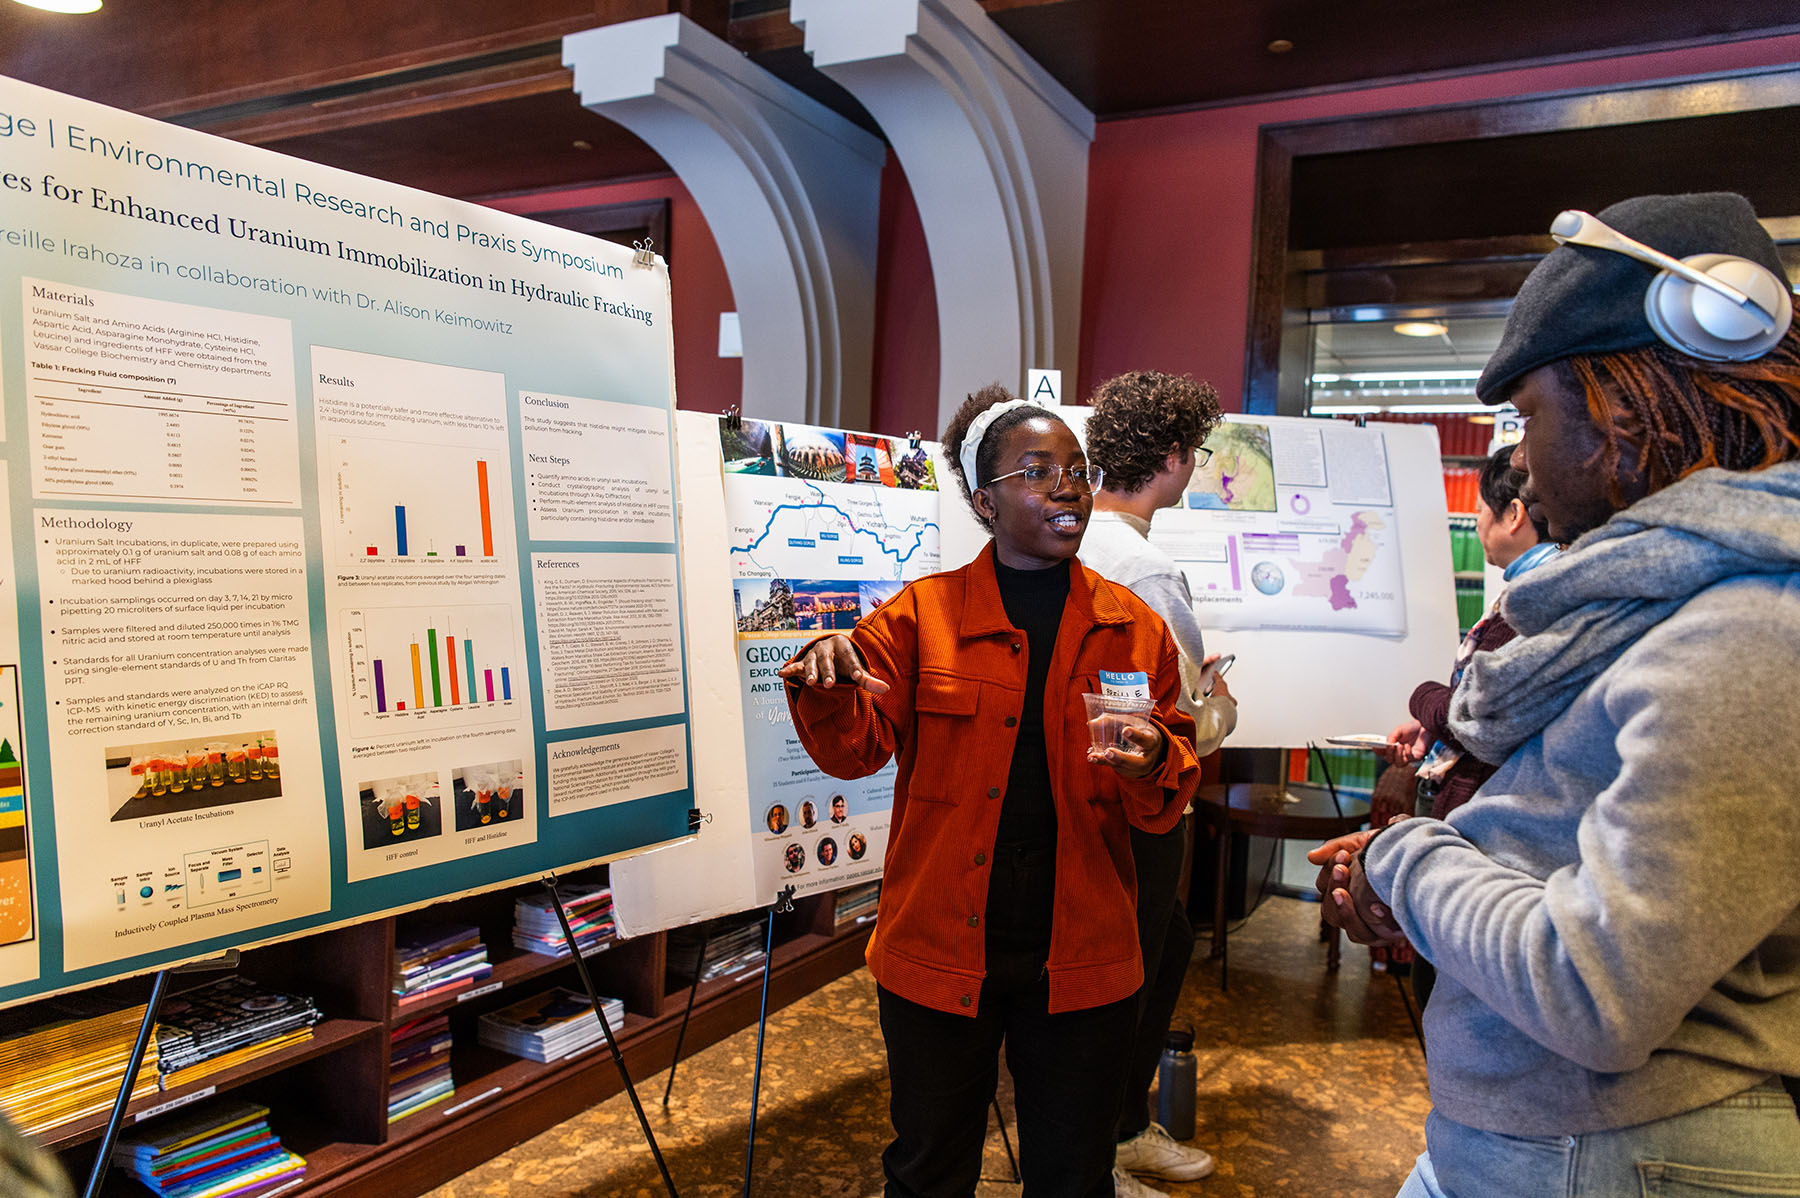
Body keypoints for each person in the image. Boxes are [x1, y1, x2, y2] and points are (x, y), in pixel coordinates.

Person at [1310, 192, 1800, 1196]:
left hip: (1618, 1148)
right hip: (1548, 1139)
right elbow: (1560, 855)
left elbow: (1596, 988)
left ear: (1621, 406)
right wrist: (1414, 882)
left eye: (1529, 414)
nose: (1520, 464)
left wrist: (1404, 856)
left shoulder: (1752, 631)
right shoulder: (1660, 610)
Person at [782, 385, 1203, 1198]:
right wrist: (829, 676)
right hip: (941, 944)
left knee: (1073, 1175)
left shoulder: (1131, 626)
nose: (1068, 487)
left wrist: (1154, 756)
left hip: (1080, 952)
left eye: (1077, 471)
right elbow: (852, 751)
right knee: (929, 1168)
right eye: (1038, 472)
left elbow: (1165, 797)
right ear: (985, 499)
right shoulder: (920, 618)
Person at [1081, 370, 1238, 1198]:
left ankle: (1121, 1129)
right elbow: (1181, 722)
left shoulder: (1062, 539)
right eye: (1198, 454)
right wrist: (1220, 704)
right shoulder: (1149, 573)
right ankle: (1097, 1159)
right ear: (1173, 459)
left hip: (1073, 800)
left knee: (1160, 945)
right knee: (1128, 973)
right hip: (1139, 803)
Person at [1367, 444, 1556, 987]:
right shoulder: (1527, 596)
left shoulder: (1535, 606)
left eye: (1479, 509)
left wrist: (1426, 698)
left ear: (1514, 514)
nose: (1475, 523)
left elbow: (1483, 716)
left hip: (1491, 833)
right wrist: (1437, 724)